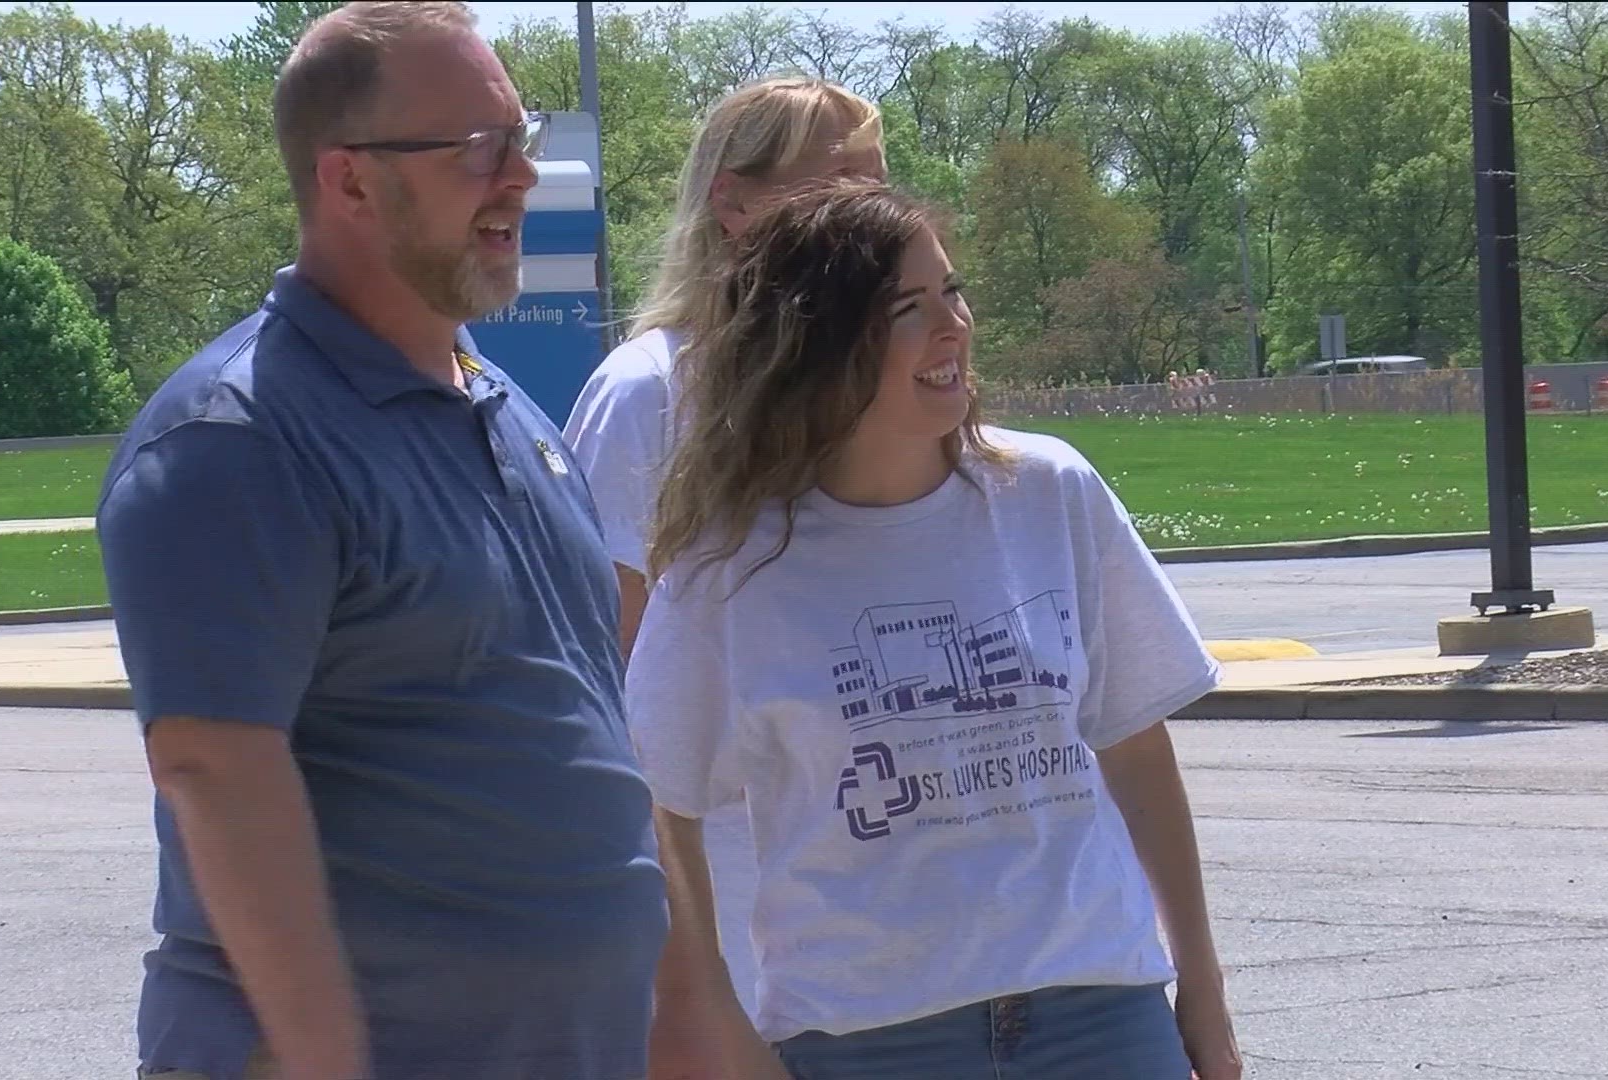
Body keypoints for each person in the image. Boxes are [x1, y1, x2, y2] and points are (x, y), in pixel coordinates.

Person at [94, 4, 665, 1078]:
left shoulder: (512, 416)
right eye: (479, 148)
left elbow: (595, 733)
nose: (522, 177)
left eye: (521, 137)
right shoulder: (239, 440)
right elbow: (214, 765)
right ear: (349, 180)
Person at [627, 180, 1244, 1080]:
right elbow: (656, 809)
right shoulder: (729, 567)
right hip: (866, 1039)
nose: (953, 326)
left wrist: (1203, 983)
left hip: (1102, 1012)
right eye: (908, 308)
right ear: (818, 343)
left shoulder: (1050, 493)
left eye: (951, 292)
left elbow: (1136, 750)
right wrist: (712, 1020)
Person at [558, 75, 887, 1013]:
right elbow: (608, 672)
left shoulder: (887, 389)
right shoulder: (649, 393)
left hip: (881, 871)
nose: (870, 209)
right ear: (733, 203)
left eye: (879, 181)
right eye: (836, 180)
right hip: (729, 879)